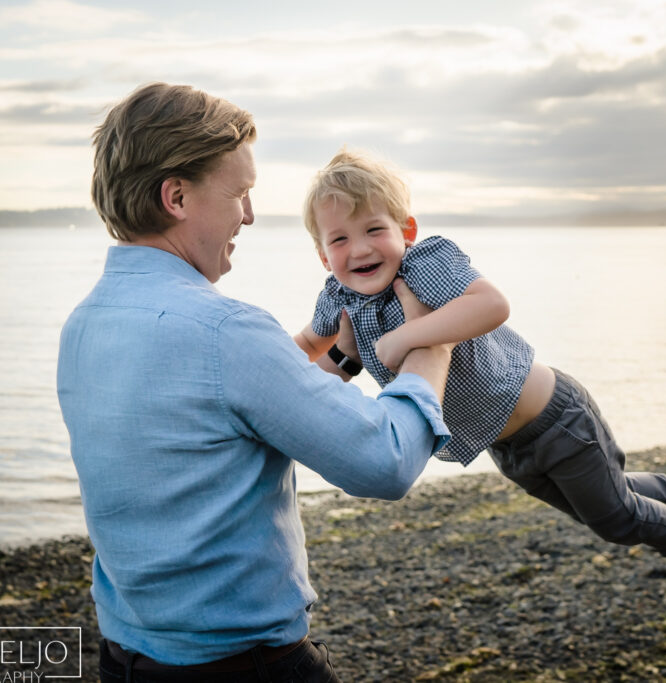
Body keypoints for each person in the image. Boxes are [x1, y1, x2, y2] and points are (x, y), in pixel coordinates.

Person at [57, 84, 455, 683]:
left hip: (126, 659)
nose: (248, 213)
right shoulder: (225, 332)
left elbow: (231, 428)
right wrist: (434, 343)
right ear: (176, 197)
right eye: (240, 192)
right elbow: (386, 460)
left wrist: (342, 361)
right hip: (244, 668)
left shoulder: (83, 326)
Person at [293, 148, 666, 622]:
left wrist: (404, 337)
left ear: (405, 232)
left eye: (374, 230)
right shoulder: (338, 298)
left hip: (556, 418)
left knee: (615, 517)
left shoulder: (424, 266)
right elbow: (308, 346)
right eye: (340, 239)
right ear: (324, 256)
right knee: (601, 505)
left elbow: (490, 304)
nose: (361, 248)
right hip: (505, 447)